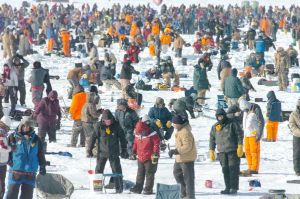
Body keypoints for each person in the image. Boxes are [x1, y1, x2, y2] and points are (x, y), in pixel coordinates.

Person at [88, 109, 128, 193]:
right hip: (102, 152)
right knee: (98, 170)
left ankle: (119, 188)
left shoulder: (116, 125)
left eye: (109, 120)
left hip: (114, 152)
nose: (108, 122)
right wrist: (90, 149)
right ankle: (97, 188)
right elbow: (93, 138)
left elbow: (122, 138)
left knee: (117, 170)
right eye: (106, 121)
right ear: (103, 120)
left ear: (112, 119)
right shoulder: (99, 126)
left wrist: (124, 149)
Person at [7, 117, 46, 199]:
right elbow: (6, 151)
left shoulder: (36, 139)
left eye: (28, 126)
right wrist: (9, 161)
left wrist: (42, 165)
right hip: (16, 170)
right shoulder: (13, 137)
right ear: (21, 125)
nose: (26, 128)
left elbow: (40, 154)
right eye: (24, 126)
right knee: (11, 194)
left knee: (27, 196)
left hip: (30, 172)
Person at [209, 108, 244, 195]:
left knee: (233, 169)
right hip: (222, 152)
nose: (220, 118)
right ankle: (227, 187)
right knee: (225, 170)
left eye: (221, 116)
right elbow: (212, 139)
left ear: (224, 116)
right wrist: (211, 150)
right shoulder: (215, 127)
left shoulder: (232, 123)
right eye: (218, 117)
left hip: (232, 151)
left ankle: (234, 188)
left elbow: (240, 134)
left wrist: (240, 146)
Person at [168, 115, 197, 199]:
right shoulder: (180, 130)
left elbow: (187, 146)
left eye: (174, 124)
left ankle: (190, 196)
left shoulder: (185, 132)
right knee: (176, 173)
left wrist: (176, 151)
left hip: (187, 158)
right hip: (180, 158)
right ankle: (184, 192)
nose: (173, 125)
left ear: (179, 124)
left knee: (189, 179)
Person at [130, 121, 160, 194]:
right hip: (140, 156)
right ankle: (138, 187)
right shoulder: (137, 134)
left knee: (149, 173)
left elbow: (156, 144)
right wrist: (133, 151)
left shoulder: (152, 134)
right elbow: (135, 143)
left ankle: (148, 189)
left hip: (150, 157)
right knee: (140, 173)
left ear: (144, 129)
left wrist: (155, 153)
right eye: (138, 132)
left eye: (141, 132)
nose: (140, 134)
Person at [239, 99, 265, 175]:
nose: (244, 110)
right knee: (247, 152)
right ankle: (250, 167)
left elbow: (261, 121)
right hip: (246, 134)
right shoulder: (245, 112)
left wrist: (259, 134)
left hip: (254, 135)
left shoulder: (255, 109)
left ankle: (254, 168)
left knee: (254, 152)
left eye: (245, 108)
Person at [81, 92, 102, 156]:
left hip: (84, 122)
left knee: (88, 138)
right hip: (90, 123)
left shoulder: (85, 104)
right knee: (92, 138)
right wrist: (100, 112)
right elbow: (95, 115)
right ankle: (92, 152)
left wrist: (98, 111)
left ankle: (88, 152)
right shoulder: (91, 105)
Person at [288, 99, 300, 176]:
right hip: (297, 136)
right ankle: (298, 170)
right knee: (297, 153)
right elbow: (292, 125)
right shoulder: (294, 114)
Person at [0, 120, 11, 199]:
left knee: (2, 183)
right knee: (1, 184)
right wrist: (11, 149)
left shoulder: (4, 134)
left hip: (3, 162)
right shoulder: (1, 134)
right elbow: (2, 148)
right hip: (1, 162)